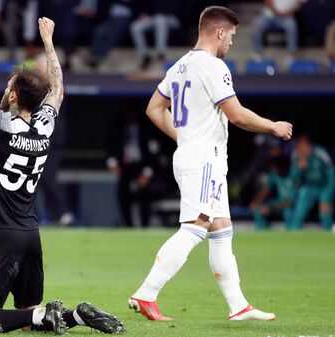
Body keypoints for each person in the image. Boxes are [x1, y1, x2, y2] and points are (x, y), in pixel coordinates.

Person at [0, 2, 125, 334]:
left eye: (8, 86)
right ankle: (76, 317)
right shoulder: (45, 126)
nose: (4, 90)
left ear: (11, 96)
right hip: (30, 232)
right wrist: (49, 43)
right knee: (29, 314)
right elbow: (58, 90)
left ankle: (44, 316)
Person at [128, 6, 293, 321]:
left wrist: (184, 137)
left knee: (221, 230)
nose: (231, 41)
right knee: (195, 228)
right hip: (204, 160)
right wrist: (272, 125)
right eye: (231, 34)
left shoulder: (179, 66)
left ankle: (238, 306)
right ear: (220, 32)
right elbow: (237, 114)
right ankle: (146, 293)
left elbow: (153, 108)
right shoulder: (214, 66)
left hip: (199, 156)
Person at [287, 135, 334, 230]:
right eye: (299, 147)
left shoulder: (320, 152)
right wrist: (298, 169)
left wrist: (327, 196)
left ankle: (329, 235)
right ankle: (293, 235)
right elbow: (292, 181)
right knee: (299, 211)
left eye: (304, 147)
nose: (301, 150)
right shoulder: (296, 155)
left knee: (324, 211)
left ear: (310, 146)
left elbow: (332, 175)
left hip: (324, 186)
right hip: (309, 187)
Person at [249, 155, 295, 230]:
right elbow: (265, 189)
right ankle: (264, 235)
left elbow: (291, 202)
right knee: (258, 210)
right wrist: (256, 202)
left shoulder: (294, 174)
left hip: (289, 205)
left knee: (288, 212)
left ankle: (291, 236)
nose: (274, 170)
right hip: (277, 203)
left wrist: (271, 208)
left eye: (275, 168)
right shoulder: (273, 174)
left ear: (282, 166)